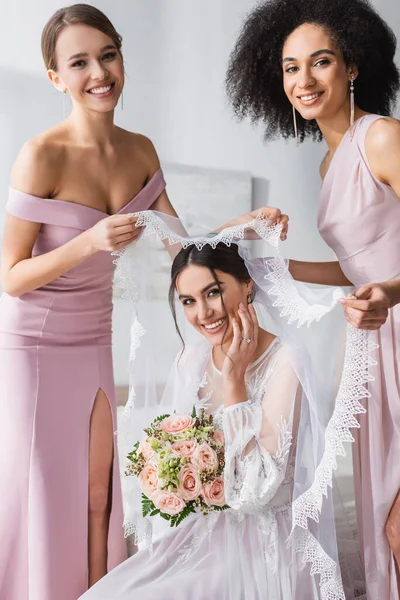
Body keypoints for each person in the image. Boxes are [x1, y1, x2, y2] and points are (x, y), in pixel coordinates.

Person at [0, 5, 287, 600]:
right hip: (34, 344)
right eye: (78, 62)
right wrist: (89, 241)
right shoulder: (40, 154)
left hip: (92, 339)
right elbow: (10, 276)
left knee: (101, 492)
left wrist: (247, 223)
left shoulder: (140, 150)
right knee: (46, 491)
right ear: (56, 78)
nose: (99, 72)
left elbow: (183, 244)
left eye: (108, 54)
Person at [79, 211, 368, 600]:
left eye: (213, 292)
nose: (203, 314)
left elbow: (256, 490)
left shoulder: (287, 361)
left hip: (263, 545)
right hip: (204, 534)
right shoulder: (193, 360)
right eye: (188, 301)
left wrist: (235, 384)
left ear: (247, 286)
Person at [226, 0, 400, 597]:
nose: (303, 81)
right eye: (289, 67)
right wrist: (270, 262)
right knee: (385, 519)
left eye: (320, 62)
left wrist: (388, 293)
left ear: (352, 66)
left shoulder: (381, 137)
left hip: (392, 321)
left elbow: (382, 276)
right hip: (374, 341)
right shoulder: (331, 161)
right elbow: (359, 266)